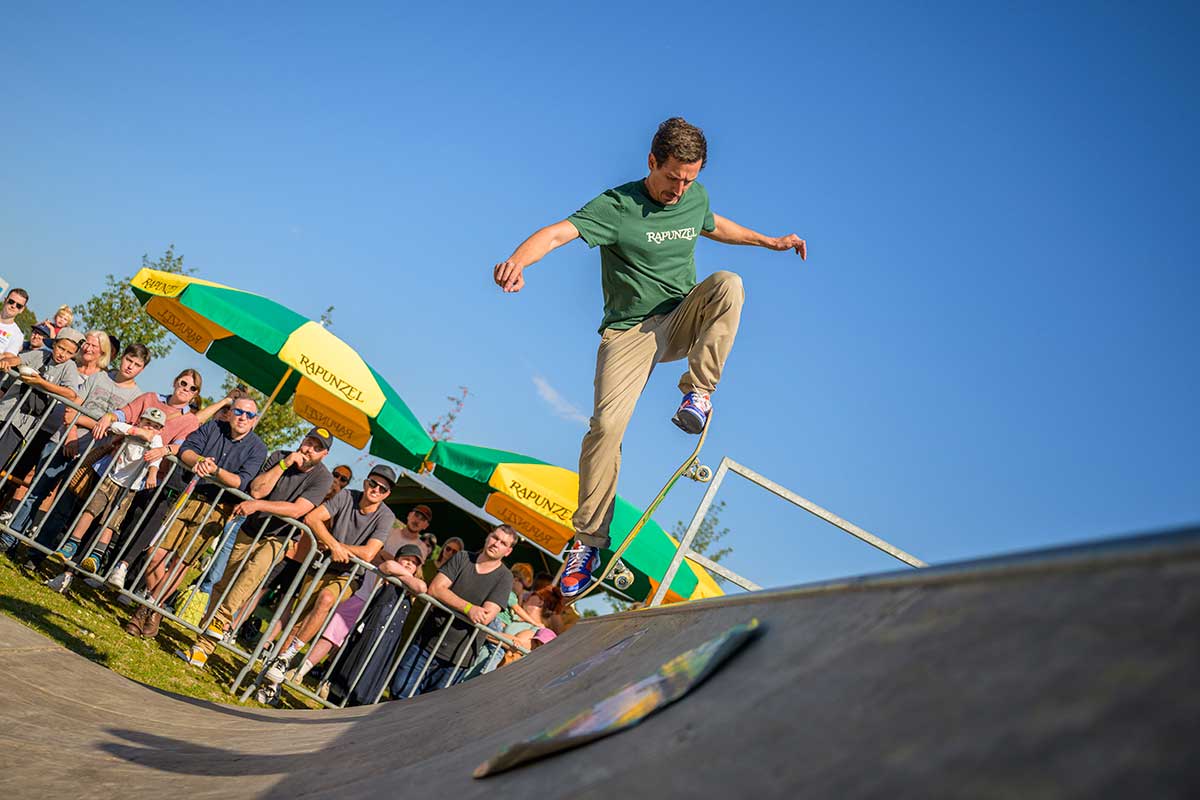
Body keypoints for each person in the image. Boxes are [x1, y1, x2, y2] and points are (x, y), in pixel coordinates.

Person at [492, 117, 807, 597]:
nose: (679, 189)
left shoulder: (693, 197)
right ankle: (588, 540)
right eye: (671, 178)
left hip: (681, 316)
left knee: (729, 284)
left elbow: (716, 225)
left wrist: (770, 241)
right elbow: (558, 234)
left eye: (689, 179)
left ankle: (698, 394)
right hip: (630, 333)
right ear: (651, 162)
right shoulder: (617, 205)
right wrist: (517, 259)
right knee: (606, 428)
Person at [174, 427, 334, 668]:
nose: (308, 449)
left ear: (324, 454)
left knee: (247, 581)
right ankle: (200, 645)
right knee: (222, 583)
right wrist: (283, 465)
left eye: (316, 447)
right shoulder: (280, 455)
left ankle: (204, 646)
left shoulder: (323, 478)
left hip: (278, 537)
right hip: (248, 527)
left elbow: (298, 510)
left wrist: (258, 506)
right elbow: (257, 489)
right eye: (308, 442)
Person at [124, 393, 266, 639]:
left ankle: (146, 609)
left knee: (182, 562)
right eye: (239, 412)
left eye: (249, 414)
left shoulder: (258, 448)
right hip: (189, 496)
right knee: (155, 552)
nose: (243, 417)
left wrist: (215, 471)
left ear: (254, 420)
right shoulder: (213, 426)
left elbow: (241, 482)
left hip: (216, 509)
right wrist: (200, 460)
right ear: (231, 413)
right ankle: (155, 608)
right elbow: (185, 451)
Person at [259, 465, 398, 684]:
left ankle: (288, 656)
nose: (376, 490)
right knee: (298, 620)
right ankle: (269, 678)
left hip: (350, 575)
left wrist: (338, 547)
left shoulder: (386, 516)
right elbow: (312, 518)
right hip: (322, 565)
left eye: (383, 488)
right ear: (365, 482)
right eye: (373, 483)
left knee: (326, 599)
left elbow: (370, 553)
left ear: (387, 494)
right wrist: (334, 546)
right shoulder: (346, 496)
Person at [286, 541, 428, 706]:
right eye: (406, 559)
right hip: (366, 610)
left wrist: (405, 577)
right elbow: (388, 565)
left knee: (359, 658)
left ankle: (333, 685)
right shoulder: (389, 570)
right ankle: (301, 671)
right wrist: (405, 575)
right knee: (334, 637)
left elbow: (422, 587)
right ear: (398, 558)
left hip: (383, 633)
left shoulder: (412, 584)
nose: (410, 563)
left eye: (415, 562)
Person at [388, 525, 515, 700]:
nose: (496, 544)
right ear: (488, 538)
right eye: (495, 537)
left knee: (428, 709)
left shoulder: (505, 577)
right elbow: (435, 589)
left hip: (458, 656)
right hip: (427, 640)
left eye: (503, 543)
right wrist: (469, 609)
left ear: (508, 551)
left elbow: (485, 617)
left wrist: (450, 599)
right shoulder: (462, 558)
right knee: (399, 691)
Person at [44, 407, 166, 570]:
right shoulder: (132, 431)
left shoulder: (156, 440)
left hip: (129, 488)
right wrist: (136, 431)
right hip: (110, 478)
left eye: (155, 426)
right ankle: (72, 543)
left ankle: (97, 555)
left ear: (160, 430)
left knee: (111, 521)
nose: (150, 428)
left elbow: (155, 460)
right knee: (90, 510)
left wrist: (152, 475)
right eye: (147, 423)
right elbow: (115, 426)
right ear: (140, 421)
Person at [0, 328, 84, 517]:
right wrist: (7, 362)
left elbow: (71, 393)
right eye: (61, 348)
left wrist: (41, 384)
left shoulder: (69, 368)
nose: (63, 354)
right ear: (54, 344)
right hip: (5, 410)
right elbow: (18, 360)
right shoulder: (40, 354)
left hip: (22, 423)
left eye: (69, 352)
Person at [0, 289, 30, 356]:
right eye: (11, 301)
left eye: (18, 306)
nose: (13, 306)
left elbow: (7, 357)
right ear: (5, 300)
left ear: (21, 310)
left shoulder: (18, 335)